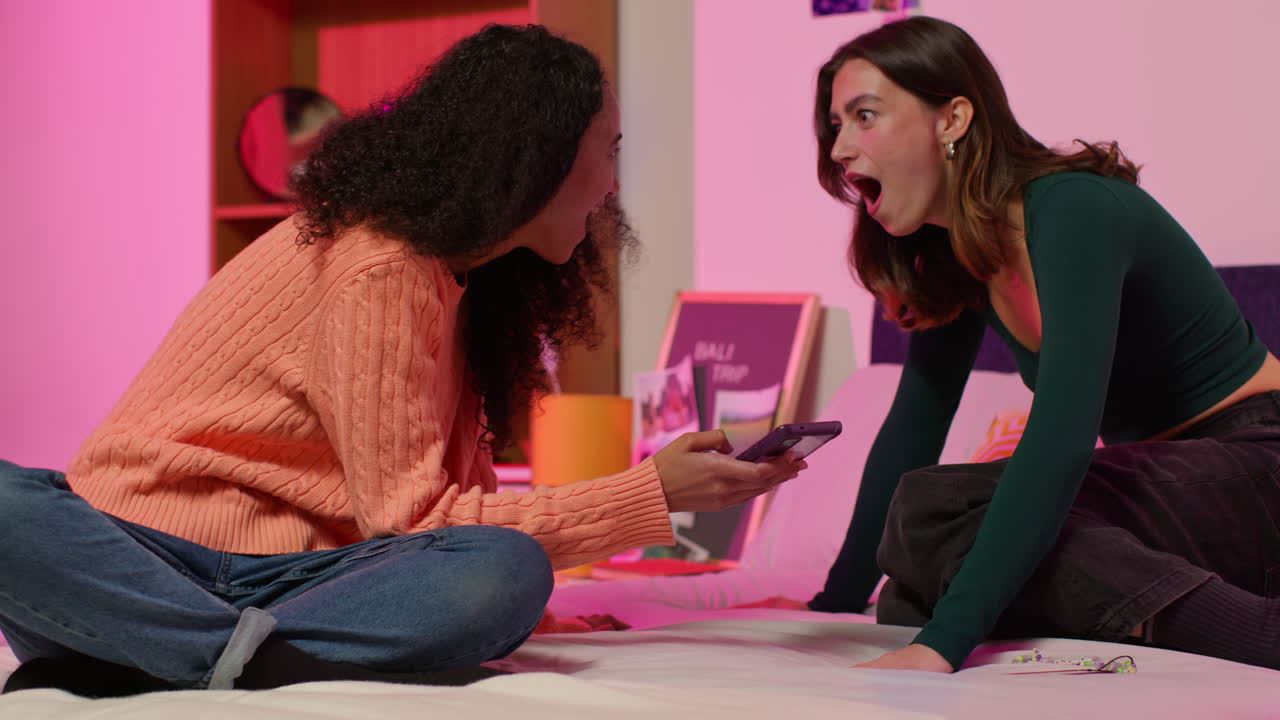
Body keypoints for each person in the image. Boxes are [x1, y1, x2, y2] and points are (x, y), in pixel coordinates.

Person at [0, 24, 804, 697]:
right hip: (141, 558)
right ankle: (229, 655)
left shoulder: (470, 286)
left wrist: (524, 601)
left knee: (508, 569)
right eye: (611, 150)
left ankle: (159, 655)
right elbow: (411, 522)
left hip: (287, 585)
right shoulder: (382, 265)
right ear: (541, 157)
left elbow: (440, 534)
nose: (612, 186)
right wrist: (648, 494)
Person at [806, 17, 1280, 673]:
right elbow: (913, 429)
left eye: (865, 116)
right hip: (1171, 497)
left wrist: (942, 645)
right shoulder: (957, 255)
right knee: (908, 589)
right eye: (835, 125)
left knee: (938, 513)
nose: (839, 148)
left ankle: (1260, 634)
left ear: (953, 119)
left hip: (1257, 463)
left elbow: (1062, 436)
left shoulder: (1072, 208)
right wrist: (833, 607)